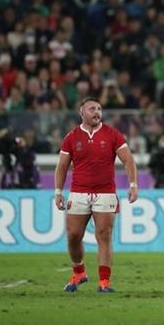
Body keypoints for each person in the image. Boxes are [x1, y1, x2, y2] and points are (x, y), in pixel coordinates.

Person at [54, 97, 138, 293]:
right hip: (79, 192)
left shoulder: (112, 134)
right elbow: (62, 166)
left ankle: (104, 282)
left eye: (99, 109)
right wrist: (58, 191)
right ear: (81, 112)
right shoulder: (72, 137)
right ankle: (79, 272)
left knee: (104, 236)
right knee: (73, 236)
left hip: (105, 193)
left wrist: (133, 184)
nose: (97, 112)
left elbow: (128, 160)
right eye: (92, 108)